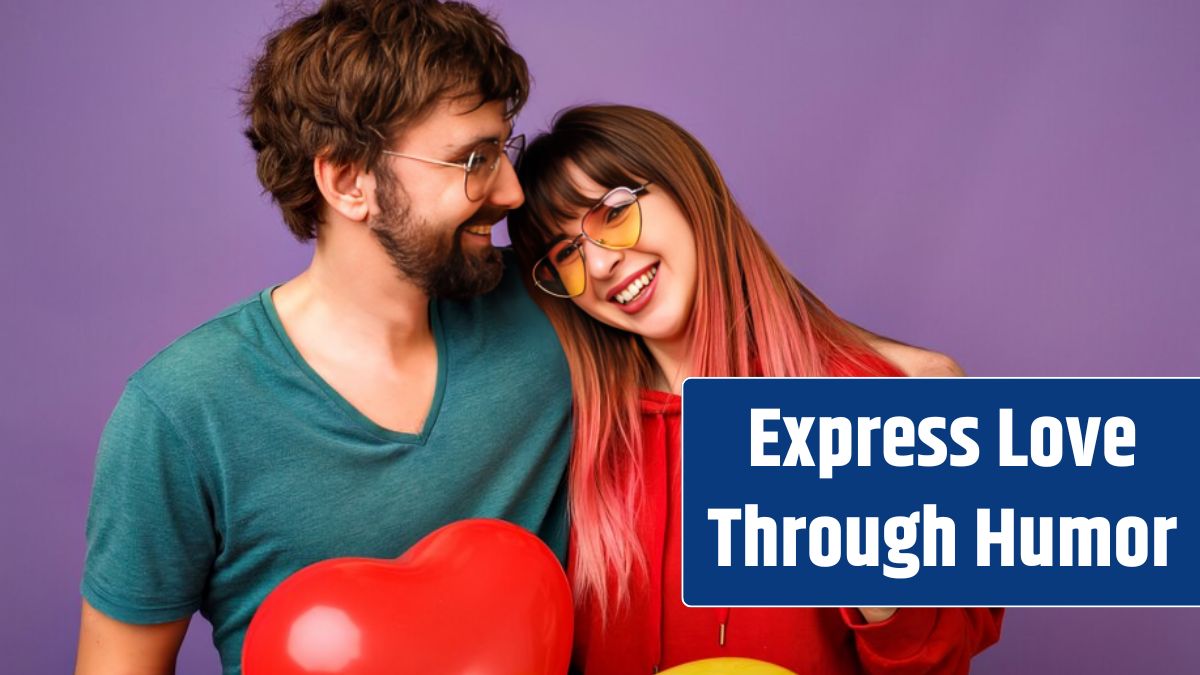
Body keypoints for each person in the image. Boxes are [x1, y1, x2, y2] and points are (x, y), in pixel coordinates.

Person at [75, 2, 574, 673]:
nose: (512, 191)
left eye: (503, 149)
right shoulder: (181, 411)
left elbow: (732, 333)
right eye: (473, 158)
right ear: (347, 180)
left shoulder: (555, 304)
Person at [508, 104, 1004, 674]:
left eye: (614, 213)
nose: (597, 265)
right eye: (565, 254)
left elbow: (937, 659)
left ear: (688, 188)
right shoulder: (578, 435)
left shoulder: (871, 398)